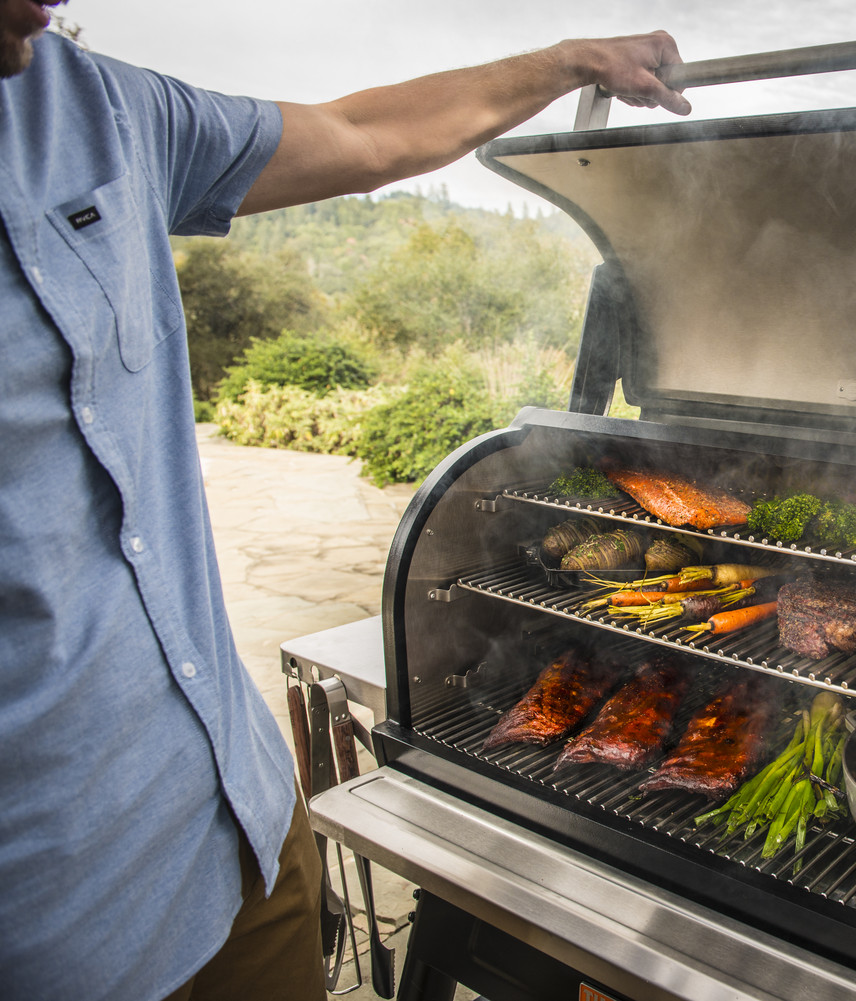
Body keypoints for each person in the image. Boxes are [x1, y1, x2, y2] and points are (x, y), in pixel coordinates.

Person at [0, 4, 690, 999]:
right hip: (46, 923)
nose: (49, 4)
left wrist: (571, 60)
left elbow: (363, 136)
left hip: (233, 821)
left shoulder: (96, 110)